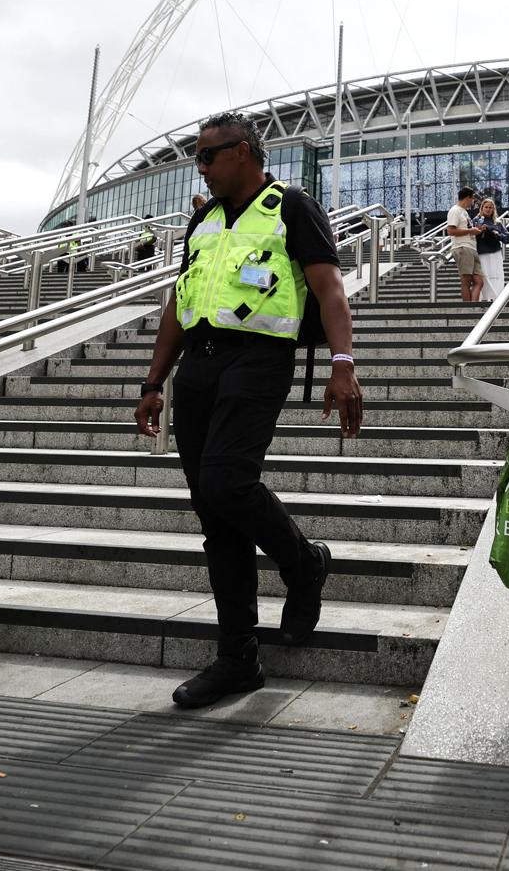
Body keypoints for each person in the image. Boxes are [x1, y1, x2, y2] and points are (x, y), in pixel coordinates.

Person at [134, 112, 362, 709]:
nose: (200, 167)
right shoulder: (201, 221)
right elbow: (178, 305)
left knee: (227, 481)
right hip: (201, 367)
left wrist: (343, 364)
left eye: (208, 156)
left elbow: (328, 288)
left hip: (260, 361)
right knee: (214, 516)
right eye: (197, 158)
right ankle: (238, 659)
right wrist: (155, 380)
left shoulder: (290, 206)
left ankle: (304, 564)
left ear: (242, 152)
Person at [447, 187, 484, 303]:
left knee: (479, 281)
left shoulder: (464, 212)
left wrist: (476, 230)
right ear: (468, 198)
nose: (473, 202)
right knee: (466, 280)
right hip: (462, 247)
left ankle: (473, 305)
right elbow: (451, 231)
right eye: (472, 199)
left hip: (471, 247)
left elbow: (466, 228)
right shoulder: (455, 210)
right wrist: (470, 231)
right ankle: (468, 308)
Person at [473, 197, 509, 301]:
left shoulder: (497, 223)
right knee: (485, 276)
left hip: (495, 252)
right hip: (481, 252)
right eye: (486, 207)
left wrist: (495, 232)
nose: (488, 209)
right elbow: (471, 235)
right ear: (482, 208)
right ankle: (485, 298)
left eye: (490, 207)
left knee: (497, 275)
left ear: (493, 209)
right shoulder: (476, 221)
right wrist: (480, 230)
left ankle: (498, 298)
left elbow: (507, 238)